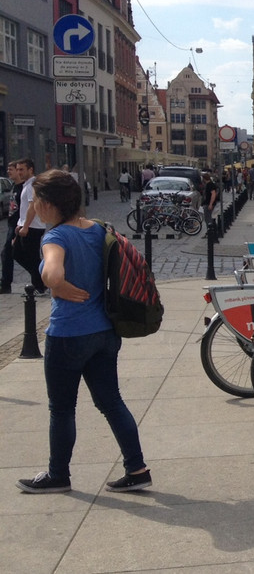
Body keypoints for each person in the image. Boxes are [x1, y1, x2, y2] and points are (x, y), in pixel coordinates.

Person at [16, 170, 151, 494]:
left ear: (49, 205)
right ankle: (137, 468)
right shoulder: (98, 229)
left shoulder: (55, 237)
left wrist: (57, 283)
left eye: (36, 200)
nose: (33, 205)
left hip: (69, 335)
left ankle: (58, 475)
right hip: (105, 331)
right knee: (112, 402)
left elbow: (52, 270)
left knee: (61, 408)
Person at [14, 158, 48, 294]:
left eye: (21, 169)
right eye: (17, 169)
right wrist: (20, 224)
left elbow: (32, 206)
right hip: (26, 225)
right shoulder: (26, 184)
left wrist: (26, 226)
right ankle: (41, 280)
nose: (19, 172)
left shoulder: (32, 184)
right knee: (16, 253)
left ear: (30, 170)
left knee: (31, 257)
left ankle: (40, 285)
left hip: (33, 227)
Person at [1, 161, 19, 294]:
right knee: (8, 253)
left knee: (13, 253)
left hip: (19, 224)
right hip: (12, 224)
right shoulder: (13, 185)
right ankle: (5, 283)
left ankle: (6, 284)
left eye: (11, 169)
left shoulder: (23, 187)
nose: (8, 171)